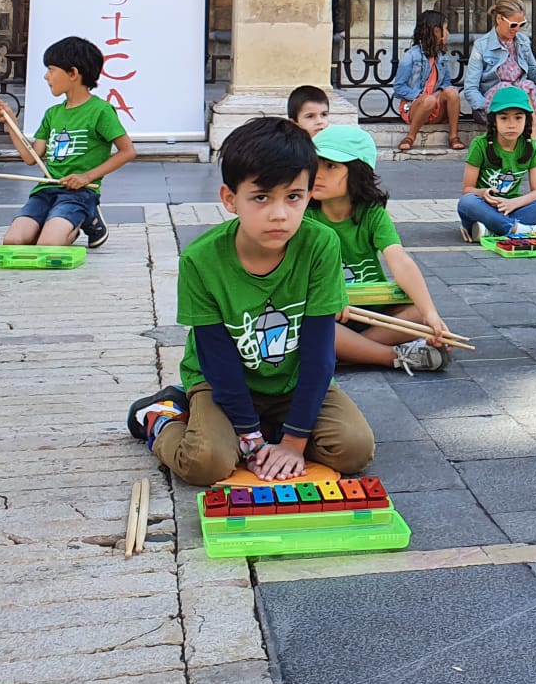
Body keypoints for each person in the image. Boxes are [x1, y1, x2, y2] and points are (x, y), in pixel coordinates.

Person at [127, 117, 375, 484]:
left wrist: (293, 442)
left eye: (293, 197)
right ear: (230, 199)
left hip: (291, 382)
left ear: (309, 195)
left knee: (354, 449)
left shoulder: (321, 244)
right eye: (261, 197)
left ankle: (275, 427)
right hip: (220, 381)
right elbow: (217, 357)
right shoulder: (200, 259)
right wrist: (250, 437)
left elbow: (320, 353)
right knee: (207, 463)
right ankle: (160, 417)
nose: (279, 214)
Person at [308, 125, 452, 374]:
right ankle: (390, 356)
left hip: (372, 309)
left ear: (357, 173)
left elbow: (400, 261)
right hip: (330, 311)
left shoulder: (372, 213)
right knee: (312, 327)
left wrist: (431, 314)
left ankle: (346, 354)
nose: (318, 174)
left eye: (330, 166)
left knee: (418, 314)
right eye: (315, 164)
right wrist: (329, 295)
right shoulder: (304, 215)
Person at [0, 36, 134, 251]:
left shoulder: (101, 111)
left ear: (73, 73)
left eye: (51, 70)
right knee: (14, 241)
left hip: (80, 192)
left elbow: (127, 151)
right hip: (46, 189)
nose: (46, 76)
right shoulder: (52, 113)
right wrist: (10, 122)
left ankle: (87, 218)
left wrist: (86, 177)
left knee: (49, 244)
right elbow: (31, 157)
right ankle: (53, 221)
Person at [458, 86, 536, 241]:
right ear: (494, 121)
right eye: (504, 118)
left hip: (514, 208)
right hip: (486, 207)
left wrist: (513, 203)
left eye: (518, 118)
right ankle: (521, 229)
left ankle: (494, 229)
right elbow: (467, 189)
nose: (511, 125)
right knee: (467, 203)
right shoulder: (480, 145)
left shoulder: (530, 146)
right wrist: (483, 193)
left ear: (526, 120)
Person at [460, 0, 536, 122]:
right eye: (513, 25)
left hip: (519, 101)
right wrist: (486, 107)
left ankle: (533, 133)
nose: (517, 29)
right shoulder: (482, 45)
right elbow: (471, 88)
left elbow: (533, 74)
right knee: (504, 88)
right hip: (491, 105)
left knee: (528, 86)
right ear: (499, 19)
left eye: (521, 24)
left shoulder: (522, 42)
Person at [391, 13, 460, 153]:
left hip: (436, 108)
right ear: (436, 31)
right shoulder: (411, 56)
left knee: (452, 92)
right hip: (416, 107)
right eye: (445, 29)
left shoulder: (441, 57)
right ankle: (410, 137)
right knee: (428, 100)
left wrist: (439, 93)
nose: (448, 33)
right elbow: (398, 87)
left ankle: (454, 137)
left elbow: (446, 83)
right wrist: (420, 95)